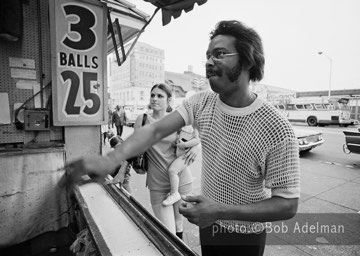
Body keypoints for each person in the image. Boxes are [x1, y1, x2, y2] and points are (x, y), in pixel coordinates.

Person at [62, 20, 300, 256]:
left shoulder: (276, 128)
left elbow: (287, 204)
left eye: (219, 54)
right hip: (209, 224)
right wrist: (110, 159)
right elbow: (155, 130)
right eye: (207, 56)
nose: (208, 62)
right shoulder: (201, 103)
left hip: (246, 236)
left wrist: (220, 210)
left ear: (248, 60)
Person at [131, 83, 199, 239]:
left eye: (160, 96)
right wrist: (122, 173)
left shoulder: (177, 118)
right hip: (157, 184)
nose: (155, 98)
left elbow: (196, 135)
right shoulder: (142, 120)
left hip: (181, 179)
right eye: (153, 95)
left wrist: (197, 146)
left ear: (169, 100)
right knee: (169, 234)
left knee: (178, 222)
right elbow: (131, 149)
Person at [162, 125, 200, 206]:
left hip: (186, 155)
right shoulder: (183, 124)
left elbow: (197, 140)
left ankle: (174, 193)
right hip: (180, 153)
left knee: (172, 171)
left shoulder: (194, 125)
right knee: (175, 172)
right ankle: (174, 192)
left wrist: (185, 144)